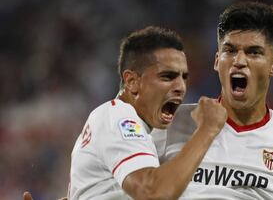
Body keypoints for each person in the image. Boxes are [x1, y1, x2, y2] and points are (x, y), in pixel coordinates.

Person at [24, 26, 226, 200]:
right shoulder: (119, 118)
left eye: (184, 77)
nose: (181, 86)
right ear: (132, 82)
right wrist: (207, 130)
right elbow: (152, 192)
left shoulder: (113, 120)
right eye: (168, 76)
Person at [161, 1, 273, 200]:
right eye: (229, 51)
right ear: (216, 61)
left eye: (253, 52)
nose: (239, 61)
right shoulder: (169, 125)